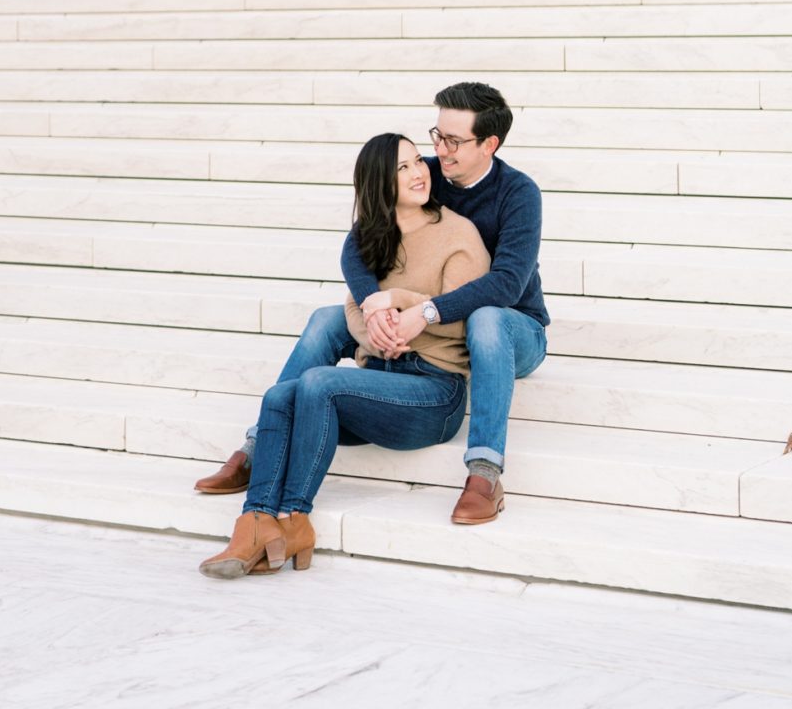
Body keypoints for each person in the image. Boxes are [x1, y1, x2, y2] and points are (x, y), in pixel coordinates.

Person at [195, 81, 548, 526]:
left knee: (487, 320)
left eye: (454, 141)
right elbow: (358, 241)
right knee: (327, 319)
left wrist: (425, 312)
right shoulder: (427, 174)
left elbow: (507, 284)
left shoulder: (518, 193)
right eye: (436, 136)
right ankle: (256, 446)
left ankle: (484, 473)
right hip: (425, 316)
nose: (439, 149)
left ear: (489, 144)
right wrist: (374, 305)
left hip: (514, 328)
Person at [198, 132, 489, 578]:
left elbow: (464, 318)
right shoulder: (372, 237)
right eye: (402, 168)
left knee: (318, 382)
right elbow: (356, 305)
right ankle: (255, 521)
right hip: (380, 381)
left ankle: (295, 517)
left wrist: (402, 304)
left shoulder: (458, 234)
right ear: (378, 182)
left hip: (434, 393)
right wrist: (376, 333)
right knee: (283, 395)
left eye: (417, 161)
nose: (418, 173)